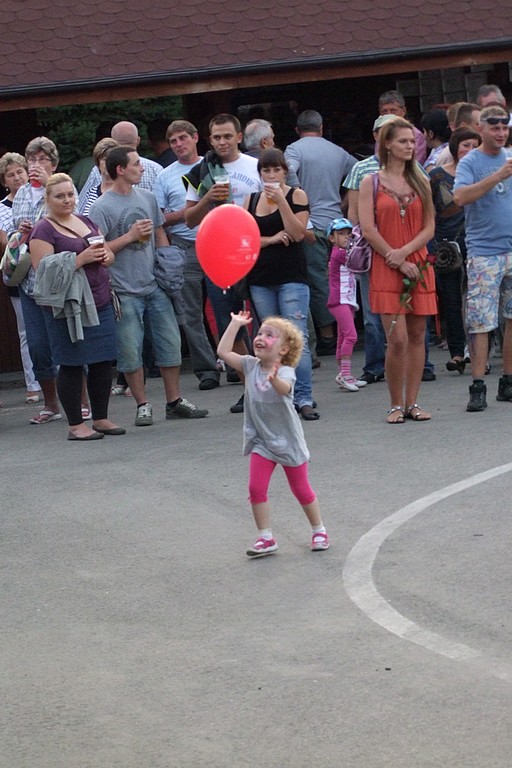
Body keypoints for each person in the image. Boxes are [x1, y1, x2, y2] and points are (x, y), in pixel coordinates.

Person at [89, 145, 208, 426]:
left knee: (170, 343)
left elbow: (158, 231)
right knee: (130, 351)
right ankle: (142, 405)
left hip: (155, 284)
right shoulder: (100, 207)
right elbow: (97, 250)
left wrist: (168, 265)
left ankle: (174, 401)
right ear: (120, 169)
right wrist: (129, 236)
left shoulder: (148, 197)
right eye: (136, 164)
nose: (142, 168)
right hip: (123, 290)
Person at [217, 310, 329, 558]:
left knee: (301, 490)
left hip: (288, 441)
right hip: (262, 441)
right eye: (259, 333)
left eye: (270, 335)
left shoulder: (285, 371)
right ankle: (266, 537)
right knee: (256, 489)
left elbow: (285, 389)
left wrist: (274, 378)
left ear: (284, 350)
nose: (260, 338)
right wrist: (235, 324)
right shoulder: (250, 365)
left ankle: (319, 530)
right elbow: (223, 352)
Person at [28, 173, 124, 440]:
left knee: (102, 360)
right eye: (60, 196)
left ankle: (101, 418)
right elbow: (41, 270)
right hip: (68, 308)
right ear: (48, 199)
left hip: (99, 300)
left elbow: (108, 252)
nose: (67, 200)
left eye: (70, 194)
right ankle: (75, 425)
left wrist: (106, 256)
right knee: (71, 363)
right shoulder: (43, 229)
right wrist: (80, 259)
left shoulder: (86, 221)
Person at [359, 117, 436, 423]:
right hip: (386, 264)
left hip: (418, 263)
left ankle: (412, 402)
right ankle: (394, 404)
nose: (409, 146)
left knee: (418, 334)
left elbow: (429, 227)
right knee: (397, 338)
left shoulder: (421, 180)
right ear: (387, 144)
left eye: (412, 141)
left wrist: (406, 253)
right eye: (403, 141)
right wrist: (397, 257)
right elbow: (368, 228)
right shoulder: (371, 182)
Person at [184, 113, 261, 414]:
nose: (222, 142)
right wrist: (207, 199)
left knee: (265, 322)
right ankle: (248, 389)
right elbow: (190, 219)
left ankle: (274, 385)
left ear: (239, 137)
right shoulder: (201, 171)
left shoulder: (256, 166)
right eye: (216, 137)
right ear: (209, 139)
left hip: (257, 250)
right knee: (232, 324)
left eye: (228, 136)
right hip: (219, 256)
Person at [242, 147, 319, 420]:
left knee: (297, 338)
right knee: (269, 339)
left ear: (285, 172)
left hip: (291, 277)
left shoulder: (296, 195)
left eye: (276, 169)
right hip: (260, 278)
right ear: (260, 173)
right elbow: (246, 239)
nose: (271, 175)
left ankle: (303, 397)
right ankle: (277, 395)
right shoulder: (250, 199)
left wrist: (281, 202)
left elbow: (298, 234)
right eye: (266, 170)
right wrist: (272, 239)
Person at [153, 119, 220, 391]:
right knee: (190, 313)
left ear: (195, 138)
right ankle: (207, 370)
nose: (178, 144)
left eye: (183, 138)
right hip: (184, 246)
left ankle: (237, 362)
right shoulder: (164, 176)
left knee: (226, 307)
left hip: (217, 243)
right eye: (173, 141)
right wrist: (189, 212)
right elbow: (158, 218)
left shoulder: (213, 166)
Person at [453, 105, 512, 412]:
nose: (501, 133)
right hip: (484, 252)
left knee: (511, 318)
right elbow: (460, 197)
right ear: (481, 129)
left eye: (505, 127)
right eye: (495, 127)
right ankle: (477, 385)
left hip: (511, 248)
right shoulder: (471, 161)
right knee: (480, 323)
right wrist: (498, 176)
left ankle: (508, 380)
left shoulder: (510, 155)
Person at [284, 110, 357, 357]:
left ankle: (328, 336)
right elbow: (359, 171)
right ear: (321, 128)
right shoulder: (338, 151)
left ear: (297, 130)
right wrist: (346, 203)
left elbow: (288, 170)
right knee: (340, 278)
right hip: (337, 224)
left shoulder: (294, 150)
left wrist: (298, 197)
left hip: (312, 225)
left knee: (317, 281)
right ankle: (347, 329)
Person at [345, 114, 397, 384]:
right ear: (376, 136)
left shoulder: (412, 167)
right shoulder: (361, 168)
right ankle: (375, 365)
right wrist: (360, 242)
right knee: (372, 311)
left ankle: (420, 363)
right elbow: (353, 213)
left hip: (403, 244)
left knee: (411, 307)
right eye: (385, 132)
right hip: (371, 247)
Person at [429, 128, 482, 374]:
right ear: (455, 147)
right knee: (450, 300)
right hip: (446, 244)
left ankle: (477, 352)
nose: (470, 150)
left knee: (476, 299)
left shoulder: (483, 175)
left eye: (474, 146)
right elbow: (430, 212)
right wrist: (430, 243)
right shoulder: (437, 175)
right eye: (465, 145)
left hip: (477, 241)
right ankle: (457, 352)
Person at [0, 152, 42, 403]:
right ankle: (32, 383)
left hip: (43, 269)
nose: (16, 178)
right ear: (4, 181)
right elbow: (4, 241)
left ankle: (59, 378)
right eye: (10, 175)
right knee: (26, 331)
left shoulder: (40, 198)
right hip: (19, 271)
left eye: (20, 172)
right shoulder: (1, 208)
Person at [78, 121, 162, 212]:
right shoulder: (156, 169)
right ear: (138, 140)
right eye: (104, 159)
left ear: (120, 169)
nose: (141, 169)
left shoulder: (141, 196)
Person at [326, 217, 367, 392]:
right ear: (332, 238)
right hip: (340, 300)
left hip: (347, 300)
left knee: (343, 337)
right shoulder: (340, 253)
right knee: (351, 336)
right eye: (341, 234)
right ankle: (345, 374)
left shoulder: (343, 252)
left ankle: (344, 374)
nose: (346, 237)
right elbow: (358, 260)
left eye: (348, 234)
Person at [378, 90, 427, 164]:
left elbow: (415, 163)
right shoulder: (381, 133)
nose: (389, 114)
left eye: (393, 110)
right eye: (384, 111)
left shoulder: (416, 135)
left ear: (403, 111)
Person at [78, 137, 119, 215]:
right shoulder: (91, 192)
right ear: (98, 163)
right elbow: (79, 214)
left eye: (111, 160)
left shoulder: (126, 191)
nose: (108, 163)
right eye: (104, 159)